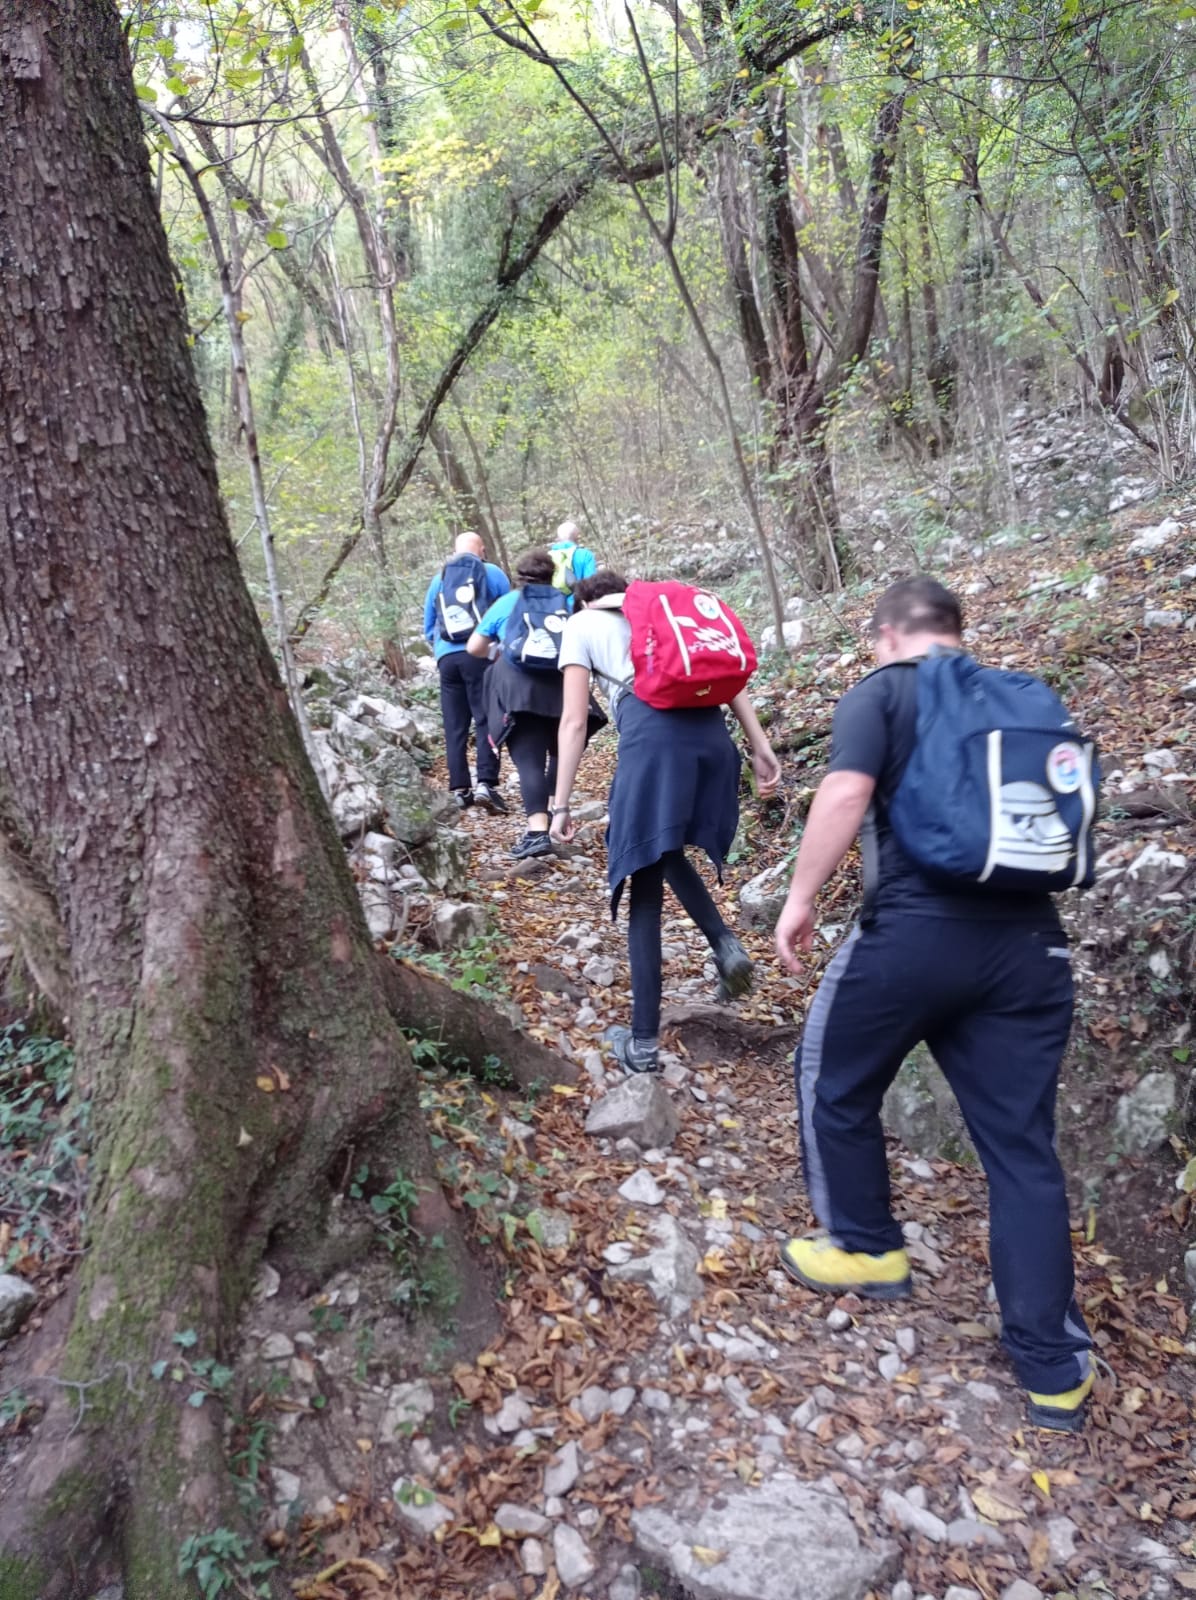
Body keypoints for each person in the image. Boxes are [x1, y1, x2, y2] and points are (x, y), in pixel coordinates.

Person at [773, 575, 1096, 1433]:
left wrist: (801, 898)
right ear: (959, 631)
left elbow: (843, 796)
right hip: (1031, 949)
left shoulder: (881, 695)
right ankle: (1053, 1370)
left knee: (831, 1081)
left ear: (884, 634)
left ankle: (868, 1248)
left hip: (913, 938)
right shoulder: (1025, 700)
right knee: (1023, 1152)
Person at [550, 570, 781, 1074]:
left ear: (584, 600)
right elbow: (730, 683)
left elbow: (571, 722)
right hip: (712, 740)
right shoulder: (663, 615)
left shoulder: (582, 625)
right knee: (662, 846)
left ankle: (643, 1044)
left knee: (643, 884)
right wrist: (761, 747)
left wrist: (560, 804)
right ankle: (725, 945)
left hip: (655, 744)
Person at [466, 549, 605, 859]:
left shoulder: (506, 603)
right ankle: (558, 806)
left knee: (529, 760)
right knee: (560, 749)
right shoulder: (567, 603)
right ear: (552, 575)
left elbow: (474, 647)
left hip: (517, 688)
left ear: (519, 576)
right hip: (562, 685)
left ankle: (537, 831)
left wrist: (500, 651)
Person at [422, 532, 510, 812]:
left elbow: (428, 626)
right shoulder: (493, 572)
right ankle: (486, 783)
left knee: (455, 725)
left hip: (447, 660)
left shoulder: (439, 579)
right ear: (482, 550)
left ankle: (460, 789)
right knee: (486, 719)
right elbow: (510, 614)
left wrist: (441, 651)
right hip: (481, 655)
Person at [548, 519, 597, 594]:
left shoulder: (547, 557)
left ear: (558, 538)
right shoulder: (586, 555)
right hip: (578, 602)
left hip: (554, 603)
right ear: (577, 537)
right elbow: (591, 584)